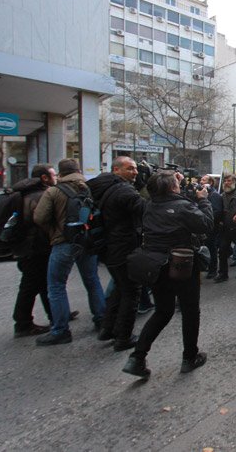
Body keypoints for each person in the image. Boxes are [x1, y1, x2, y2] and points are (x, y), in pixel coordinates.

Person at [122, 170, 213, 378]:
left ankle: (137, 357)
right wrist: (204, 201)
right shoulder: (183, 207)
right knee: (190, 311)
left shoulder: (149, 206)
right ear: (173, 188)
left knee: (163, 311)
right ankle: (190, 356)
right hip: (180, 264)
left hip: (155, 265)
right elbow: (206, 224)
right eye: (176, 184)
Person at [33, 158, 106, 346]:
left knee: (56, 285)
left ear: (60, 173)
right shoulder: (87, 188)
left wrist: (54, 230)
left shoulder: (54, 191)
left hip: (64, 242)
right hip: (87, 241)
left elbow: (40, 217)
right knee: (92, 280)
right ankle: (101, 319)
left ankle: (60, 330)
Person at [87, 156, 146, 352]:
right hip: (124, 248)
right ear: (116, 170)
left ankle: (108, 328)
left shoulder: (106, 188)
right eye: (130, 169)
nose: (135, 172)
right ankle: (124, 337)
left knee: (119, 290)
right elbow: (146, 210)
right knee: (131, 292)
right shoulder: (124, 191)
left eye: (135, 168)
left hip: (111, 247)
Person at [11, 164, 57, 337]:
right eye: (53, 175)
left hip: (28, 248)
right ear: (44, 178)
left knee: (41, 284)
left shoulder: (23, 193)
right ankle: (23, 323)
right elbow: (42, 221)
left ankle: (55, 315)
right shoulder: (40, 196)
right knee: (32, 286)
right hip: (37, 248)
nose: (56, 178)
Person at [215, 173, 236, 283]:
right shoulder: (222, 195)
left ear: (235, 182)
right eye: (225, 181)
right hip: (225, 228)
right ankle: (223, 274)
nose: (227, 183)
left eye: (229, 181)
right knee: (222, 250)